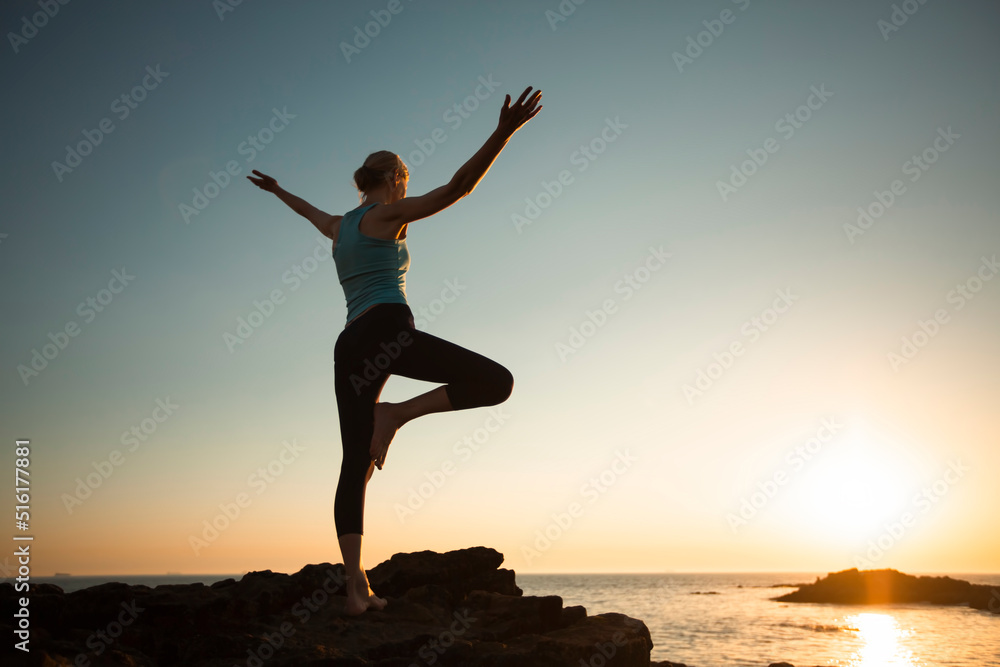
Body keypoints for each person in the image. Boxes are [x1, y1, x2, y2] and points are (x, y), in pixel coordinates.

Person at [247, 86, 542, 615]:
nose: (407, 188)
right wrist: (503, 131)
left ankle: (356, 590)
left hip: (349, 346)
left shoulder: (339, 227)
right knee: (497, 382)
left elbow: (306, 211)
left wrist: (277, 191)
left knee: (353, 462)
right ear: (394, 179)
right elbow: (456, 189)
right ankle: (399, 414)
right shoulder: (388, 214)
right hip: (387, 331)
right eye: (403, 180)